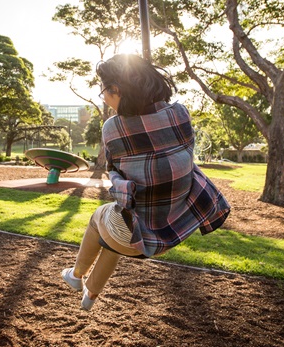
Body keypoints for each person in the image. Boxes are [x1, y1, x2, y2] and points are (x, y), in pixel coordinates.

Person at [61, 54, 231, 311]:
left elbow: (113, 169)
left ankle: (75, 276)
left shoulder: (112, 128)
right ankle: (90, 296)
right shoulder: (180, 114)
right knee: (119, 226)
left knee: (102, 217)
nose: (104, 97)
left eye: (104, 91)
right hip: (175, 230)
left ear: (116, 89)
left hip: (137, 236)